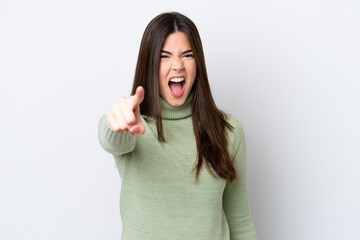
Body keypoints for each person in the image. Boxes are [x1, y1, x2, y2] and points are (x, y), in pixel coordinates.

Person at [98, 12, 257, 240]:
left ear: (198, 63)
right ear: (149, 63)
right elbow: (110, 137)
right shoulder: (133, 126)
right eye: (165, 56)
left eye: (187, 55)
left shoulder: (228, 131)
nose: (177, 66)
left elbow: (240, 223)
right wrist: (115, 120)